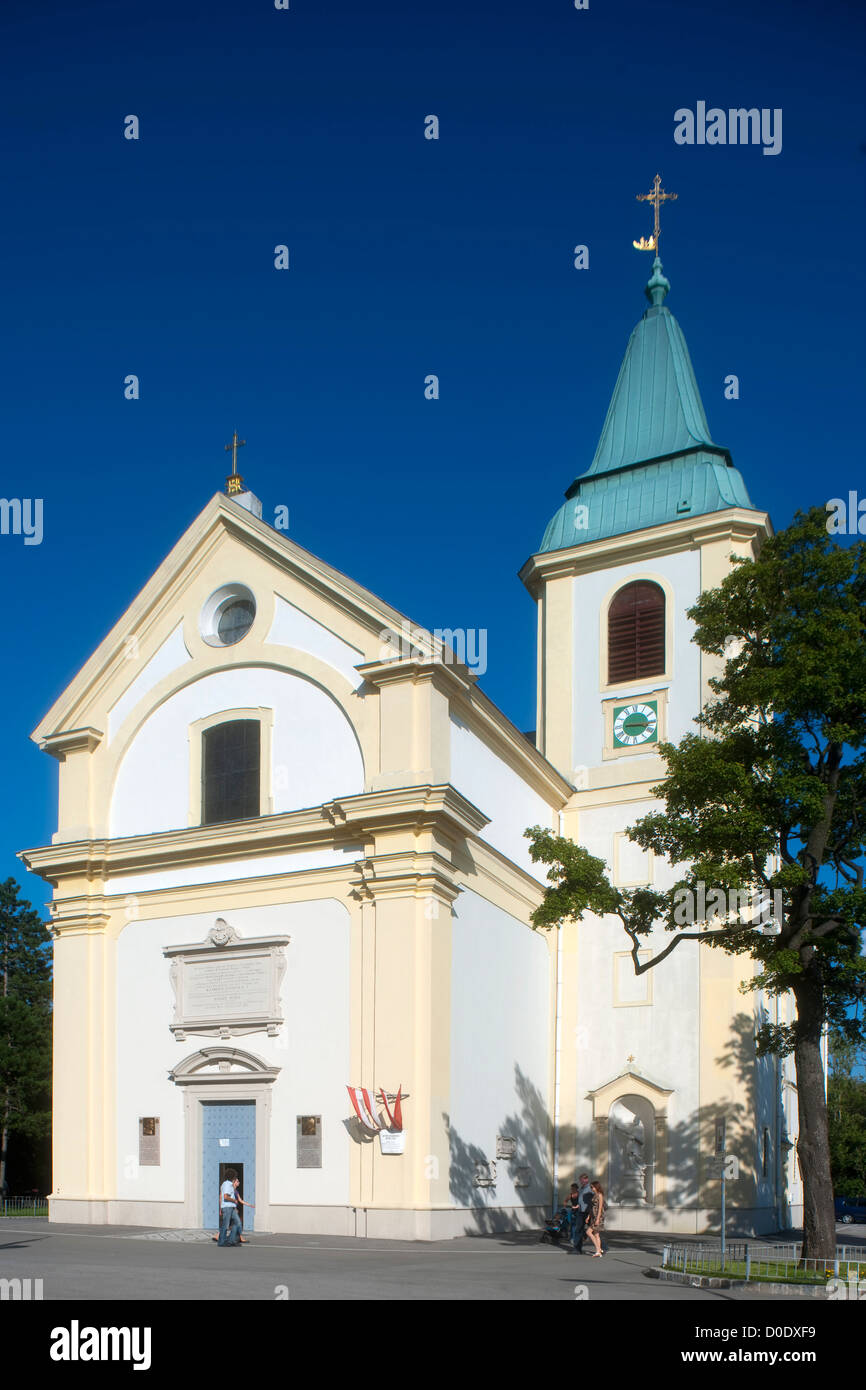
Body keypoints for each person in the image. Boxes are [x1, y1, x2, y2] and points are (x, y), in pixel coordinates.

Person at [215, 1169, 255, 1246]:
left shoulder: (227, 1184)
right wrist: (234, 1200)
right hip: (227, 1207)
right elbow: (226, 1197)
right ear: (233, 1177)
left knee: (238, 1223)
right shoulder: (227, 1184)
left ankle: (231, 1240)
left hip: (231, 1207)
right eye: (235, 1177)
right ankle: (222, 1242)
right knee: (225, 1225)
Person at [570, 1173, 592, 1252]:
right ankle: (577, 1249)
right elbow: (581, 1200)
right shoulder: (581, 1189)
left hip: (588, 1212)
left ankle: (601, 1247)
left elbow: (594, 1199)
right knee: (578, 1229)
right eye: (580, 1180)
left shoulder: (590, 1188)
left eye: (582, 1180)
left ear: (586, 1179)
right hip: (580, 1212)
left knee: (594, 1231)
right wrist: (577, 1206)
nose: (581, 1182)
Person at [584, 1180, 606, 1258]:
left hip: (598, 1217)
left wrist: (597, 1219)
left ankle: (598, 1249)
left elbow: (600, 1208)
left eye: (592, 1187)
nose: (591, 1188)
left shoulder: (600, 1195)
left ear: (596, 1187)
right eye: (591, 1187)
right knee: (596, 1234)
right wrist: (588, 1217)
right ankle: (598, 1251)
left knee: (588, 1232)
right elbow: (592, 1207)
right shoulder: (594, 1195)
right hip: (593, 1216)